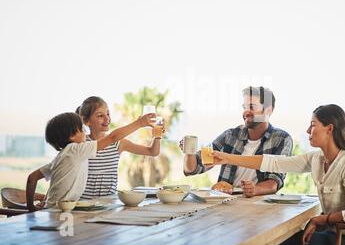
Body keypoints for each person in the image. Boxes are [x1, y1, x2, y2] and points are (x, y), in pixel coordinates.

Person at [212, 104, 345, 245]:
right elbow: (274, 163)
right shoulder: (316, 159)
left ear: (329, 129)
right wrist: (226, 158)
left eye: (313, 124)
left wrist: (320, 220)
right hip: (333, 236)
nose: (307, 130)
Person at [26, 112, 154, 210]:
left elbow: (32, 178)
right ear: (71, 136)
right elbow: (112, 137)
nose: (84, 132)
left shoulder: (62, 156)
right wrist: (139, 123)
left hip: (54, 210)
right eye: (81, 129)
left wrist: (31, 208)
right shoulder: (76, 150)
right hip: (59, 212)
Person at [181, 86, 293, 197]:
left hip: (259, 205)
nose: (246, 112)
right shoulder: (230, 135)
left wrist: (255, 189)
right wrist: (189, 151)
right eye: (244, 107)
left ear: (268, 110)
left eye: (252, 107)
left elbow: (274, 182)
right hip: (226, 203)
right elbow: (192, 169)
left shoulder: (281, 139)